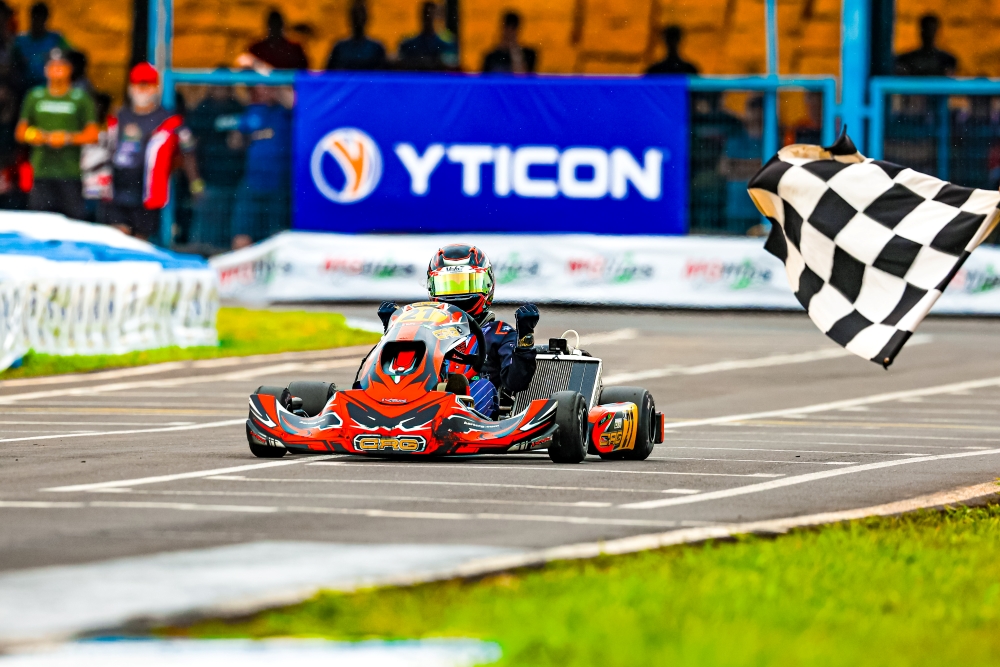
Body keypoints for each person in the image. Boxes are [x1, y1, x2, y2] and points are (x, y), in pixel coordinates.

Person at [376, 244, 539, 419]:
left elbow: (516, 382)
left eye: (467, 283)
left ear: (487, 285)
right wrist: (392, 329)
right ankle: (382, 408)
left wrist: (525, 337)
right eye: (448, 285)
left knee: (483, 385)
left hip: (472, 406)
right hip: (424, 396)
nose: (457, 293)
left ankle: (456, 418)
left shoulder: (499, 332)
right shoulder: (424, 330)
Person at [102, 62, 203, 241]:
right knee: (118, 237)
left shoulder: (169, 120)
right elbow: (105, 147)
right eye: (137, 84)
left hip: (147, 189)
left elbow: (188, 149)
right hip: (117, 186)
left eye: (146, 85)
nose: (141, 90)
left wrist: (195, 182)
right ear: (130, 87)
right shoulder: (119, 115)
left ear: (155, 88)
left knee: (141, 239)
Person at [15, 48, 97, 219]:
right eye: (52, 65)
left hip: (70, 172)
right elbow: (21, 132)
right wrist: (36, 136)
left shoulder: (80, 97)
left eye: (61, 65)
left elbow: (93, 134)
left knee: (73, 222)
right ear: (46, 69)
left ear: (70, 69)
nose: (56, 70)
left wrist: (67, 138)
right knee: (40, 222)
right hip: (42, 171)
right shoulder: (35, 96)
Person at [230, 85, 291, 248]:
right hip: (252, 181)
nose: (264, 91)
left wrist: (278, 90)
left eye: (268, 87)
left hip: (279, 183)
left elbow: (295, 104)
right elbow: (235, 142)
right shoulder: (253, 111)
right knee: (242, 232)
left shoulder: (286, 112)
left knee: (277, 235)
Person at [186, 77, 245, 249]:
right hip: (209, 185)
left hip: (237, 185)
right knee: (204, 241)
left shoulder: (239, 108)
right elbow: (189, 151)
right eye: (217, 86)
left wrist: (241, 142)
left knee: (231, 240)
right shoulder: (201, 110)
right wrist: (196, 184)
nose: (220, 90)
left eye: (225, 86)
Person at [12, 3, 69, 92]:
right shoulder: (20, 41)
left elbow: (70, 57)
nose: (38, 22)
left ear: (46, 19)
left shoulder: (56, 39)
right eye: (35, 18)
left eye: (41, 19)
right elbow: (12, 63)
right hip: (25, 86)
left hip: (50, 86)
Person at [325, 1, 387, 71]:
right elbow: (329, 74)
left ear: (366, 18)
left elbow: (382, 75)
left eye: (361, 15)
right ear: (350, 18)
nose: (358, 19)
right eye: (355, 16)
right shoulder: (339, 47)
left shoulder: (376, 47)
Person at [397, 2, 450, 71]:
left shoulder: (447, 44)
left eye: (432, 15)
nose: (429, 20)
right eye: (426, 15)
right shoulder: (409, 44)